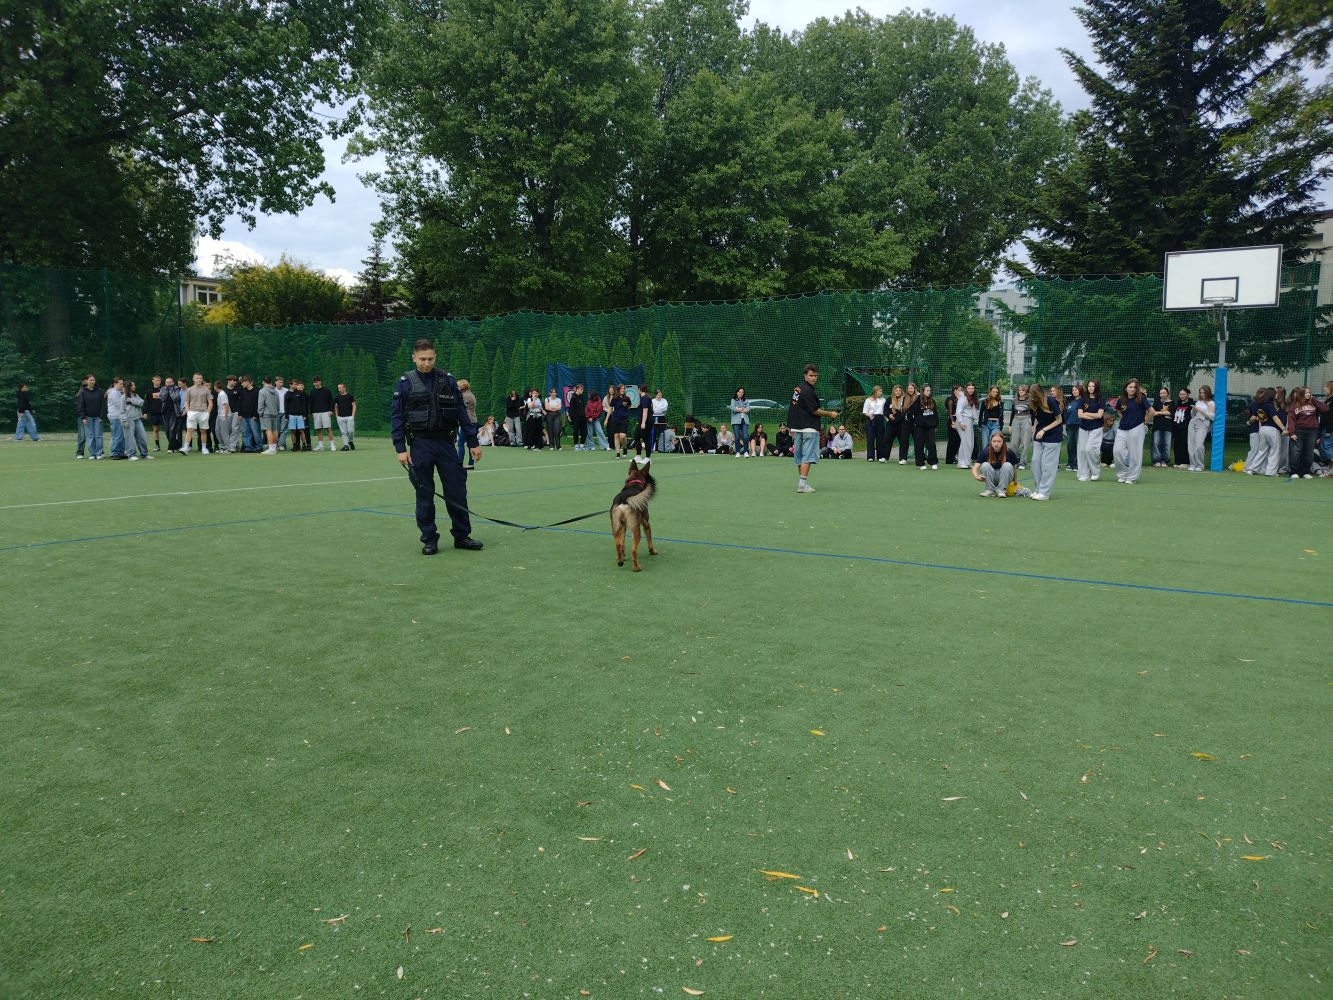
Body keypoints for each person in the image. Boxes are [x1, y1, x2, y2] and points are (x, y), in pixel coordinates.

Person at [391, 338, 483, 554]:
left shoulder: (448, 380)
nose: (426, 363)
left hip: (445, 444)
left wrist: (473, 442)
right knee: (424, 495)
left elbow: (461, 412)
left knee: (457, 491)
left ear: (435, 357)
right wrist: (400, 448)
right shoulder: (405, 383)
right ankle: (429, 539)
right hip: (420, 444)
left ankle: (462, 536)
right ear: (414, 358)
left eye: (430, 359)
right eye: (422, 359)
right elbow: (397, 418)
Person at [787, 364, 840, 493]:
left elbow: (792, 408)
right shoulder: (808, 391)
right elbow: (814, 410)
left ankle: (802, 483)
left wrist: (791, 427)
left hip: (797, 428)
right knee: (807, 456)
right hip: (808, 428)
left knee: (800, 457)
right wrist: (831, 414)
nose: (813, 378)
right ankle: (802, 485)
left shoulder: (797, 389)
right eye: (811, 375)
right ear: (805, 375)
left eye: (815, 376)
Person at [1112, 378, 1154, 484]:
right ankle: (1122, 474)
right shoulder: (1121, 400)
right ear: (1126, 388)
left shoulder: (1141, 398)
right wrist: (1124, 417)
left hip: (1137, 428)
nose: (1132, 389)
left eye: (1134, 387)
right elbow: (1118, 410)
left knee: (1135, 454)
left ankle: (1132, 477)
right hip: (1122, 428)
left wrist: (1144, 423)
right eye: (1130, 387)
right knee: (1117, 451)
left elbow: (1151, 411)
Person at [1028, 382, 1062, 501]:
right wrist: (1034, 431)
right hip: (1039, 437)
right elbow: (1037, 418)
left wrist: (1043, 430)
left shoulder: (1051, 401)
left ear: (1039, 394)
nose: (1031, 398)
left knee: (1047, 465)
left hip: (1053, 437)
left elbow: (1059, 420)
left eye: (1033, 395)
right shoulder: (1033, 403)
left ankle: (1045, 492)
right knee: (1035, 462)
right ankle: (1038, 489)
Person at [1286, 386, 1329, 479]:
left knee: (1309, 452)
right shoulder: (1294, 406)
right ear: (1301, 394)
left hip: (1312, 431)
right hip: (1298, 431)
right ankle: (1294, 472)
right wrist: (1292, 433)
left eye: (1309, 392)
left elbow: (1325, 409)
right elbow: (1291, 419)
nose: (1308, 394)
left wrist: (1314, 400)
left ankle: (1305, 472)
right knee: (1295, 452)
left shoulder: (1314, 403)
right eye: (1306, 393)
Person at [1247, 388, 1285, 476]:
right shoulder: (1270, 405)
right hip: (1272, 430)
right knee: (1275, 450)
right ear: (1272, 395)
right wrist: (1283, 428)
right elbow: (1275, 418)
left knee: (1262, 450)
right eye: (1275, 393)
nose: (1277, 394)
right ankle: (1271, 471)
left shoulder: (1260, 405)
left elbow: (1262, 419)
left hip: (1262, 429)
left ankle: (1252, 469)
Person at [972, 431, 1019, 496]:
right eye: (994, 441)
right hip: (992, 478)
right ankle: (990, 490)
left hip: (1005, 478)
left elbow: (1014, 469)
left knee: (1007, 465)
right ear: (991, 442)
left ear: (1003, 442)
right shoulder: (986, 452)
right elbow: (975, 468)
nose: (996, 443)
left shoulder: (1009, 452)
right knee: (985, 465)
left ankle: (1002, 491)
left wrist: (1015, 482)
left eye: (999, 441)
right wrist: (977, 477)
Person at [1076, 379, 1105, 481]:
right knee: (1082, 450)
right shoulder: (1083, 399)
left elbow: (1100, 415)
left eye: (1093, 386)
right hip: (1083, 427)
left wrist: (1087, 413)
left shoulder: (1101, 399)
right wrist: (1094, 415)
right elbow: (1080, 415)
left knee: (1090, 449)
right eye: (1089, 386)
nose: (1091, 388)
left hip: (1096, 428)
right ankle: (1084, 473)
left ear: (1096, 387)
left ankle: (1095, 471)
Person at [180, 372, 213, 455]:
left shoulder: (206, 390)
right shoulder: (189, 390)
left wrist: (208, 413)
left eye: (200, 378)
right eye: (197, 378)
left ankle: (204, 448)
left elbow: (210, 403)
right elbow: (186, 402)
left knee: (203, 431)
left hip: (204, 412)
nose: (199, 380)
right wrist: (188, 411)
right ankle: (185, 448)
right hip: (192, 412)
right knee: (189, 430)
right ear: (193, 379)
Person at [909, 385, 940, 469]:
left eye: (930, 390)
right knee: (919, 445)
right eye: (927, 390)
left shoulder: (932, 401)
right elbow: (910, 412)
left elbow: (935, 414)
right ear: (923, 391)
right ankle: (921, 463)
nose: (929, 392)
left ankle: (933, 462)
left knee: (931, 444)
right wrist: (915, 422)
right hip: (920, 427)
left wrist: (935, 424)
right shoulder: (917, 401)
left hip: (930, 427)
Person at [77, 374, 106, 459]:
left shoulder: (100, 391)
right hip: (88, 417)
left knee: (98, 436)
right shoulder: (83, 392)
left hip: (98, 417)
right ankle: (92, 454)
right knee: (90, 436)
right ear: (87, 381)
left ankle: (99, 453)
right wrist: (83, 417)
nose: (92, 381)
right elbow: (80, 405)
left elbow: (102, 405)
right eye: (90, 380)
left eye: (93, 380)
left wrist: (101, 416)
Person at [122, 381, 151, 460]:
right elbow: (121, 410)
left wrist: (132, 400)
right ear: (128, 387)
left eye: (134, 385)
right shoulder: (123, 397)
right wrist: (124, 420)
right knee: (130, 439)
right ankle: (131, 455)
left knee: (142, 437)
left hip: (138, 419)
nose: (134, 386)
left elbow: (142, 402)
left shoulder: (135, 395)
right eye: (132, 385)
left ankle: (144, 454)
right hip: (128, 420)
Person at [1188, 385, 1214, 472]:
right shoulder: (1198, 401)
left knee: (1199, 445)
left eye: (1203, 392)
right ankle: (1192, 464)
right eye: (1200, 392)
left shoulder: (1211, 403)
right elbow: (1192, 415)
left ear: (1208, 393)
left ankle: (1200, 465)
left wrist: (1201, 410)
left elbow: (1212, 417)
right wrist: (1193, 410)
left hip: (1203, 423)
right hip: (1193, 422)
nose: (1202, 394)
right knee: (1191, 444)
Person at [955, 384, 979, 468]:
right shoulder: (963, 398)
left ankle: (967, 461)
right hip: (963, 420)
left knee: (969, 442)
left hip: (969, 421)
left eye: (972, 388)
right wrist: (961, 422)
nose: (971, 390)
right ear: (966, 389)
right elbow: (958, 411)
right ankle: (961, 462)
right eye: (969, 388)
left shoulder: (972, 398)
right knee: (965, 442)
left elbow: (973, 411)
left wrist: (975, 419)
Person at [309, 376, 336, 451]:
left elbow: (331, 400)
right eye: (314, 382)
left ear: (320, 382)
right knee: (318, 429)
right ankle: (320, 445)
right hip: (316, 413)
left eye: (316, 382)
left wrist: (331, 410)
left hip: (326, 412)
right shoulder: (312, 391)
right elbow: (311, 402)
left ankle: (332, 445)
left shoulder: (326, 390)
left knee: (328, 428)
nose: (315, 383)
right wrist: (312, 412)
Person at [1010, 384, 1033, 469]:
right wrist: (1010, 425)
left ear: (1026, 391)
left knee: (1025, 442)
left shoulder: (1030, 401)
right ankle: (1015, 460)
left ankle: (1022, 462)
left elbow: (1033, 413)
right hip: (1016, 420)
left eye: (1023, 390)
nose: (1021, 392)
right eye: (1019, 390)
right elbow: (1012, 413)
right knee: (1014, 443)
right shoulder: (1015, 400)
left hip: (1026, 419)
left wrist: (1033, 425)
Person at [236, 375, 261, 452]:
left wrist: (255, 414)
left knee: (256, 433)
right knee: (245, 433)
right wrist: (240, 414)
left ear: (247, 382)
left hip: (253, 416)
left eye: (243, 382)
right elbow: (240, 403)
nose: (241, 384)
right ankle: (248, 447)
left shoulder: (256, 391)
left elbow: (258, 404)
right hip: (243, 416)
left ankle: (259, 447)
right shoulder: (242, 391)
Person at [457, 378, 479, 466]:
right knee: (470, 443)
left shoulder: (465, 396)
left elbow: (458, 406)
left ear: (462, 387)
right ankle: (471, 463)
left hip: (467, 421)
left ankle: (460, 463)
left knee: (460, 443)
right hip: (473, 420)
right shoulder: (470, 394)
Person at [257, 375, 282, 454]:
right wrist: (277, 410)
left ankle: (271, 449)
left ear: (263, 382)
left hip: (266, 414)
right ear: (271, 381)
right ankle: (274, 448)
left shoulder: (262, 391)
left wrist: (260, 412)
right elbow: (278, 403)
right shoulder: (276, 391)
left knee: (268, 430)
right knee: (275, 430)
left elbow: (261, 403)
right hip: (275, 413)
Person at [1150, 387, 1173, 468]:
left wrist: (1159, 412)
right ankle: (1156, 461)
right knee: (1156, 443)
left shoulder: (1172, 403)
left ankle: (1165, 461)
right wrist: (1164, 412)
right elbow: (1153, 412)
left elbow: (1170, 412)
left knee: (1167, 443)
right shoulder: (1156, 402)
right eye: (1161, 393)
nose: (1162, 394)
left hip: (1168, 427)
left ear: (1167, 394)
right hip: (1157, 426)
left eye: (1164, 393)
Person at [1170, 387, 1193, 468]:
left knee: (1184, 444)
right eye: (1180, 394)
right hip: (1177, 428)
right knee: (1177, 445)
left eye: (1184, 394)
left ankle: (1186, 462)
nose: (1182, 396)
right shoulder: (1178, 403)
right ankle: (1178, 462)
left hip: (1186, 428)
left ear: (1188, 394)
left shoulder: (1191, 404)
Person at [863, 386, 886, 462]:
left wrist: (887, 417)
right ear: (875, 391)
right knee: (870, 438)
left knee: (880, 438)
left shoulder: (883, 400)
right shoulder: (868, 400)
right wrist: (870, 415)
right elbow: (865, 411)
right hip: (871, 419)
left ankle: (880, 456)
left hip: (880, 419)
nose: (881, 393)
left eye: (881, 391)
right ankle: (870, 456)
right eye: (880, 391)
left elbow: (885, 411)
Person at [285, 379, 310, 452]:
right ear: (290, 385)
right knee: (293, 431)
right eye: (294, 384)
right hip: (291, 416)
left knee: (301, 430)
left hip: (300, 416)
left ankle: (304, 445)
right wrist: (286, 417)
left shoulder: (299, 393)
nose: (296, 385)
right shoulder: (287, 394)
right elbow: (286, 406)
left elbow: (303, 405)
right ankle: (295, 446)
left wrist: (304, 415)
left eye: (296, 384)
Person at [606, 384, 630, 456]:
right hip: (615, 419)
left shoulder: (627, 398)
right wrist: (606, 419)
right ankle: (618, 453)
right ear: (618, 390)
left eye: (624, 388)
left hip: (624, 419)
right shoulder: (614, 398)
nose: (623, 390)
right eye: (621, 388)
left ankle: (625, 448)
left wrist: (626, 405)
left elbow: (629, 406)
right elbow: (610, 409)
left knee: (622, 436)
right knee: (616, 436)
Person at [106, 377, 127, 459]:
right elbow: (120, 405)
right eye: (120, 384)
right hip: (115, 417)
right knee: (117, 435)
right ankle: (114, 453)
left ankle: (121, 452)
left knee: (121, 435)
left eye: (122, 384)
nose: (122, 385)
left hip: (118, 417)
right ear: (115, 384)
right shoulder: (114, 393)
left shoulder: (118, 392)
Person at [979, 386, 1004, 453]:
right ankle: (984, 458)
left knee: (992, 442)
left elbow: (1001, 415)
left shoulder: (1000, 402)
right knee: (985, 444)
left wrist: (1001, 426)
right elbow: (981, 413)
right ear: (990, 392)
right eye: (993, 392)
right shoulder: (985, 401)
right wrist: (980, 425)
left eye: (996, 392)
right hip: (986, 424)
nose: (995, 393)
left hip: (996, 424)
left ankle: (992, 458)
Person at [212, 379, 234, 454]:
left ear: (215, 387)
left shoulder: (222, 394)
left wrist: (225, 416)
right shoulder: (220, 394)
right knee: (217, 430)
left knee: (224, 432)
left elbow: (226, 405)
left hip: (224, 415)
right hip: (219, 415)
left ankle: (227, 448)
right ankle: (222, 447)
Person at [1063, 382, 1082, 471]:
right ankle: (1070, 463)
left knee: (1078, 445)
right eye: (1073, 390)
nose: (1074, 391)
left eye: (1076, 390)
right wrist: (1067, 423)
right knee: (1070, 445)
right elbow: (1066, 414)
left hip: (1079, 425)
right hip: (1070, 426)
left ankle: (1077, 464)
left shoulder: (1083, 401)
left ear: (1080, 391)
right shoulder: (1070, 402)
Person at [887, 385, 907, 464]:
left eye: (899, 391)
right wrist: (889, 415)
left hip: (902, 424)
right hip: (891, 424)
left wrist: (900, 418)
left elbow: (905, 411)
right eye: (896, 391)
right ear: (894, 391)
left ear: (901, 391)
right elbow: (885, 410)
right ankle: (884, 457)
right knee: (887, 439)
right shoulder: (889, 399)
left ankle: (903, 459)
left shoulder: (905, 399)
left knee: (903, 441)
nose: (898, 392)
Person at [334, 382, 357, 450]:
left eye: (341, 387)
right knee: (343, 432)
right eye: (339, 388)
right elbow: (336, 406)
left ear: (344, 388)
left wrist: (353, 415)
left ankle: (350, 441)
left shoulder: (350, 396)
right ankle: (346, 446)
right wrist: (337, 416)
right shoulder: (337, 397)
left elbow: (354, 405)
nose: (340, 389)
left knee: (350, 431)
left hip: (349, 417)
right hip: (340, 417)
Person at [631, 384, 653, 456]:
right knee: (645, 438)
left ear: (639, 389)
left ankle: (641, 456)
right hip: (647, 421)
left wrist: (643, 423)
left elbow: (645, 411)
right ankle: (644, 457)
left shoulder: (644, 399)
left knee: (637, 437)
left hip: (645, 422)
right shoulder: (646, 398)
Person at [729, 388, 750, 459]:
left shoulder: (746, 401)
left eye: (742, 392)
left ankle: (746, 452)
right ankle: (737, 452)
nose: (741, 393)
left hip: (745, 421)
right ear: (737, 392)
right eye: (740, 392)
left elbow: (748, 410)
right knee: (737, 437)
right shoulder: (733, 400)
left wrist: (739, 409)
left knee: (745, 436)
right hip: (736, 421)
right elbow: (733, 409)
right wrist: (742, 409)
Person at [900, 383, 918, 464]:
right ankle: (903, 458)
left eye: (911, 388)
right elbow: (903, 410)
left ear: (914, 389)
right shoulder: (905, 398)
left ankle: (919, 458)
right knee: (904, 441)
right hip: (906, 423)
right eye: (909, 388)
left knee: (917, 441)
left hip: (915, 423)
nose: (910, 390)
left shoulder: (918, 398)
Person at [145, 375, 163, 451]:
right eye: (156, 380)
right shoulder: (149, 391)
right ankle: (157, 446)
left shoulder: (164, 389)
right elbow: (146, 402)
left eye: (159, 380)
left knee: (169, 430)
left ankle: (172, 446)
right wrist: (145, 412)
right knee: (156, 430)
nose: (158, 382)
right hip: (154, 413)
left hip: (164, 413)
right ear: (153, 381)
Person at [944, 385, 961, 466]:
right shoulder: (950, 400)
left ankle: (954, 457)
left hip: (959, 420)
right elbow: (950, 413)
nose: (961, 391)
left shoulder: (960, 399)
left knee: (958, 441)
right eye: (959, 390)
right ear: (955, 390)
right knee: (952, 441)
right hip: (953, 421)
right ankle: (949, 459)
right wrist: (953, 422)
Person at [569, 384, 588, 450]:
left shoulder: (582, 397)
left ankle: (582, 445)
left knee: (585, 431)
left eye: (583, 389)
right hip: (576, 418)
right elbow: (571, 409)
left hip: (583, 418)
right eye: (581, 389)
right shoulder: (573, 397)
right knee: (576, 432)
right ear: (577, 389)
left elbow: (583, 407)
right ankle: (576, 445)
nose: (582, 390)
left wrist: (584, 415)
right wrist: (573, 418)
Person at [651, 389, 668, 453]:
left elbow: (665, 409)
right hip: (654, 417)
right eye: (659, 395)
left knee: (662, 433)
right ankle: (651, 448)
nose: (660, 396)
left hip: (662, 417)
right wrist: (660, 410)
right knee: (653, 433)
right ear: (655, 395)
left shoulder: (664, 400)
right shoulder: (652, 401)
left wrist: (657, 410)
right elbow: (653, 410)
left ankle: (662, 448)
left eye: (661, 395)